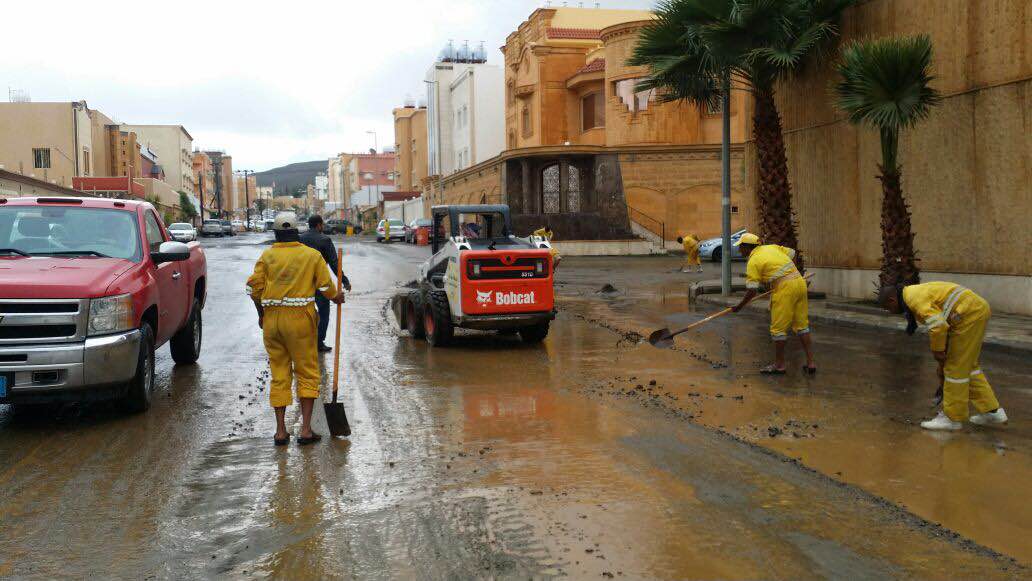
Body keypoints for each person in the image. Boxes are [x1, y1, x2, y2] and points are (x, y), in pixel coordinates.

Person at [246, 212, 345, 446]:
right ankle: (306, 430)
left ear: (276, 234)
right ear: (296, 232)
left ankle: (281, 432)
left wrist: (262, 315)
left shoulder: (267, 256)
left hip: (272, 321)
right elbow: (324, 286)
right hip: (301, 320)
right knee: (307, 371)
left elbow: (254, 289)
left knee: (279, 373)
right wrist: (336, 297)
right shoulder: (311, 256)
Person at [879, 282, 1007, 431]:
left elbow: (938, 325)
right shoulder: (911, 294)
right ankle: (991, 411)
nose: (889, 312)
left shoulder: (914, 299)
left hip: (967, 315)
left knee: (954, 368)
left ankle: (952, 418)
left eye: (888, 308)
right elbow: (942, 321)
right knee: (968, 366)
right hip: (972, 311)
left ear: (892, 300)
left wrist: (938, 352)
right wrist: (942, 352)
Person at [731, 233, 815, 375]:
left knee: (778, 330)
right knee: (802, 325)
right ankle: (811, 362)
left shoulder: (753, 261)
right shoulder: (772, 247)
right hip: (799, 282)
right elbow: (792, 253)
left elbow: (752, 291)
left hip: (785, 289)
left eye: (741, 247)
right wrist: (782, 273)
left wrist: (739, 306)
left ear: (747, 247)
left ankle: (780, 365)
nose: (739, 250)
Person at [301, 215, 351, 353]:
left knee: (303, 311)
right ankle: (318, 342)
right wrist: (345, 280)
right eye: (322, 225)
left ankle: (304, 340)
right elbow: (335, 264)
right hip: (320, 282)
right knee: (323, 313)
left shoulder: (300, 239)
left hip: (302, 283)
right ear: (319, 225)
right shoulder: (325, 240)